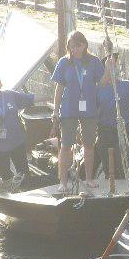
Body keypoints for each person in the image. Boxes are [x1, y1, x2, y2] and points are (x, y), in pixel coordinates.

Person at [51, 31, 104, 193]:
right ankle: (63, 181)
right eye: (71, 46)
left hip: (89, 108)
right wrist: (56, 110)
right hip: (69, 108)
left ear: (84, 45)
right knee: (66, 145)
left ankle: (88, 179)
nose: (74, 49)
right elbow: (59, 88)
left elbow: (102, 82)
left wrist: (109, 68)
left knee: (89, 144)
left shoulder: (94, 62)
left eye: (78, 46)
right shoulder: (63, 63)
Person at [95, 52, 129, 179]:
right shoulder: (98, 89)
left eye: (114, 64)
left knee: (124, 162)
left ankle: (125, 182)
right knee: (107, 162)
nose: (113, 67)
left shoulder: (126, 86)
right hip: (105, 130)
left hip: (124, 129)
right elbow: (91, 111)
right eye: (109, 65)